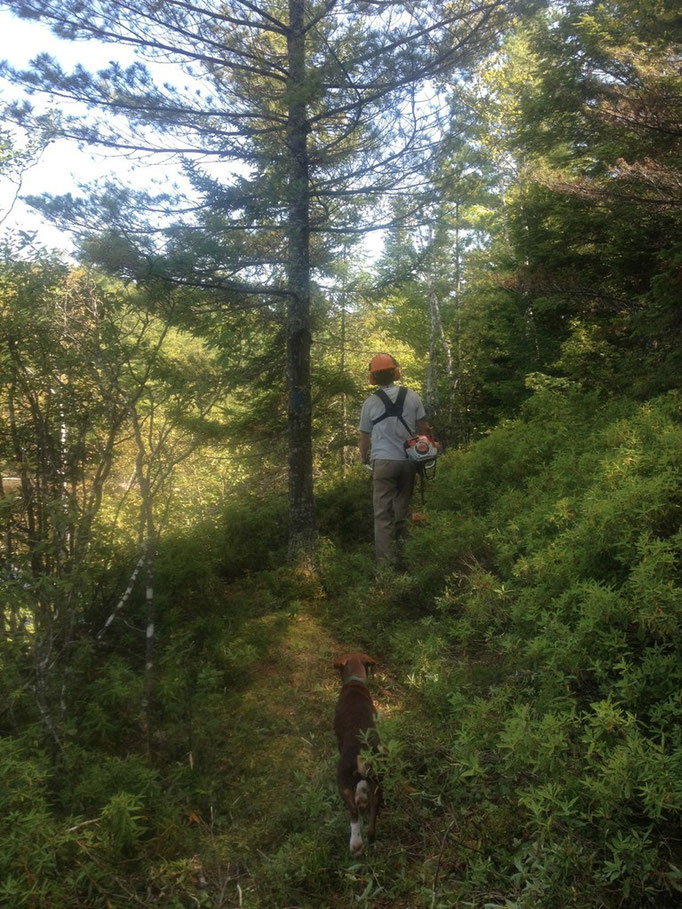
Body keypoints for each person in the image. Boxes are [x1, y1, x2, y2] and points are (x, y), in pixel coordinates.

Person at [358, 353, 434, 569]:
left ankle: (386, 570)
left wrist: (364, 458)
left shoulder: (370, 403)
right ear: (396, 373)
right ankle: (405, 561)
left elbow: (364, 438)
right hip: (409, 461)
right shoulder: (412, 396)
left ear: (372, 377)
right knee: (401, 511)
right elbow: (424, 429)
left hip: (382, 463)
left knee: (383, 517)